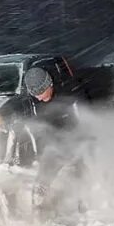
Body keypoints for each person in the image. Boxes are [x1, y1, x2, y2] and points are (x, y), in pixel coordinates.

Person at [23, 66, 82, 212]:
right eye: (34, 94)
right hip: (55, 143)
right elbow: (41, 130)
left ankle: (82, 203)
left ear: (49, 84)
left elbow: (84, 123)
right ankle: (39, 206)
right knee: (46, 169)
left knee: (80, 168)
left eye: (40, 92)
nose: (38, 97)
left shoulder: (71, 92)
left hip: (78, 140)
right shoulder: (37, 104)